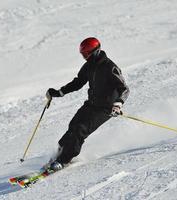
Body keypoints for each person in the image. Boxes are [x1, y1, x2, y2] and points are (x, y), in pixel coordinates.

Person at [46, 37, 129, 171]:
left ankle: (63, 160)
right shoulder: (89, 65)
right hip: (91, 104)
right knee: (73, 126)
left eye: (86, 54)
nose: (84, 57)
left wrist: (118, 104)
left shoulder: (110, 67)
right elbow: (78, 82)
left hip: (106, 108)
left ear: (96, 51)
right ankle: (59, 154)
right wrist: (59, 92)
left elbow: (124, 88)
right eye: (83, 54)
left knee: (80, 130)